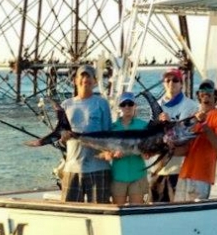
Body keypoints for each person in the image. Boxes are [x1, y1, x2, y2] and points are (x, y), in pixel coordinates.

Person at [59, 64, 112, 203]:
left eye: (89, 77)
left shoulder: (102, 103)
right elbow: (59, 138)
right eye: (82, 77)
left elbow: (108, 135)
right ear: (75, 80)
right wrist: (62, 139)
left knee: (100, 213)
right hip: (72, 168)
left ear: (95, 82)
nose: (85, 80)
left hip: (98, 168)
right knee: (70, 214)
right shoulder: (65, 105)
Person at [175, 80, 217, 202]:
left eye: (209, 91)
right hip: (185, 174)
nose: (205, 94)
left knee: (196, 215)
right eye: (202, 91)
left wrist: (205, 125)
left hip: (202, 176)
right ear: (199, 95)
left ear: (215, 95)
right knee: (178, 212)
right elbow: (186, 149)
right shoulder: (192, 117)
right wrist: (170, 148)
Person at [150, 69, 199, 203]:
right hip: (157, 169)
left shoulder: (192, 106)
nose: (171, 83)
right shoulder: (156, 106)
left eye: (175, 80)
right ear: (164, 84)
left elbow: (186, 135)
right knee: (157, 213)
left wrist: (170, 122)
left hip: (180, 171)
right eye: (168, 80)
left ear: (182, 84)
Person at [99, 91, 151, 206]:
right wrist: (112, 154)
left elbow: (148, 152)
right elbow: (103, 153)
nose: (127, 107)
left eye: (130, 103)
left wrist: (144, 152)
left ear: (135, 105)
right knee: (119, 211)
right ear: (120, 107)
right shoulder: (112, 128)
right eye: (123, 104)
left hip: (138, 174)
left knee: (136, 212)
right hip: (118, 175)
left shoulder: (143, 126)